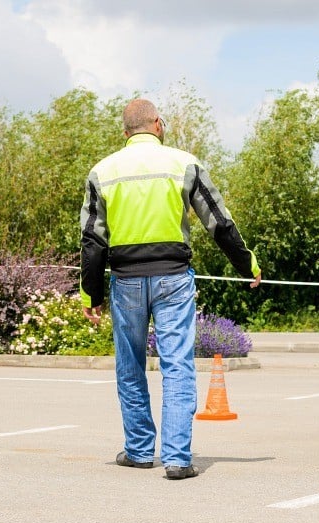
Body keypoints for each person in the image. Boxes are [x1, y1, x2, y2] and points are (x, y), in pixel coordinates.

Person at [79, 98, 261, 480]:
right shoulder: (183, 163)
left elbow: (92, 240)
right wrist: (246, 265)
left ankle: (140, 451)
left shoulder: (103, 171)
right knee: (176, 366)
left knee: (130, 366)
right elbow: (220, 223)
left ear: (125, 133)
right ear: (158, 124)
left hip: (125, 281)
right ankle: (177, 459)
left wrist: (90, 294)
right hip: (173, 278)